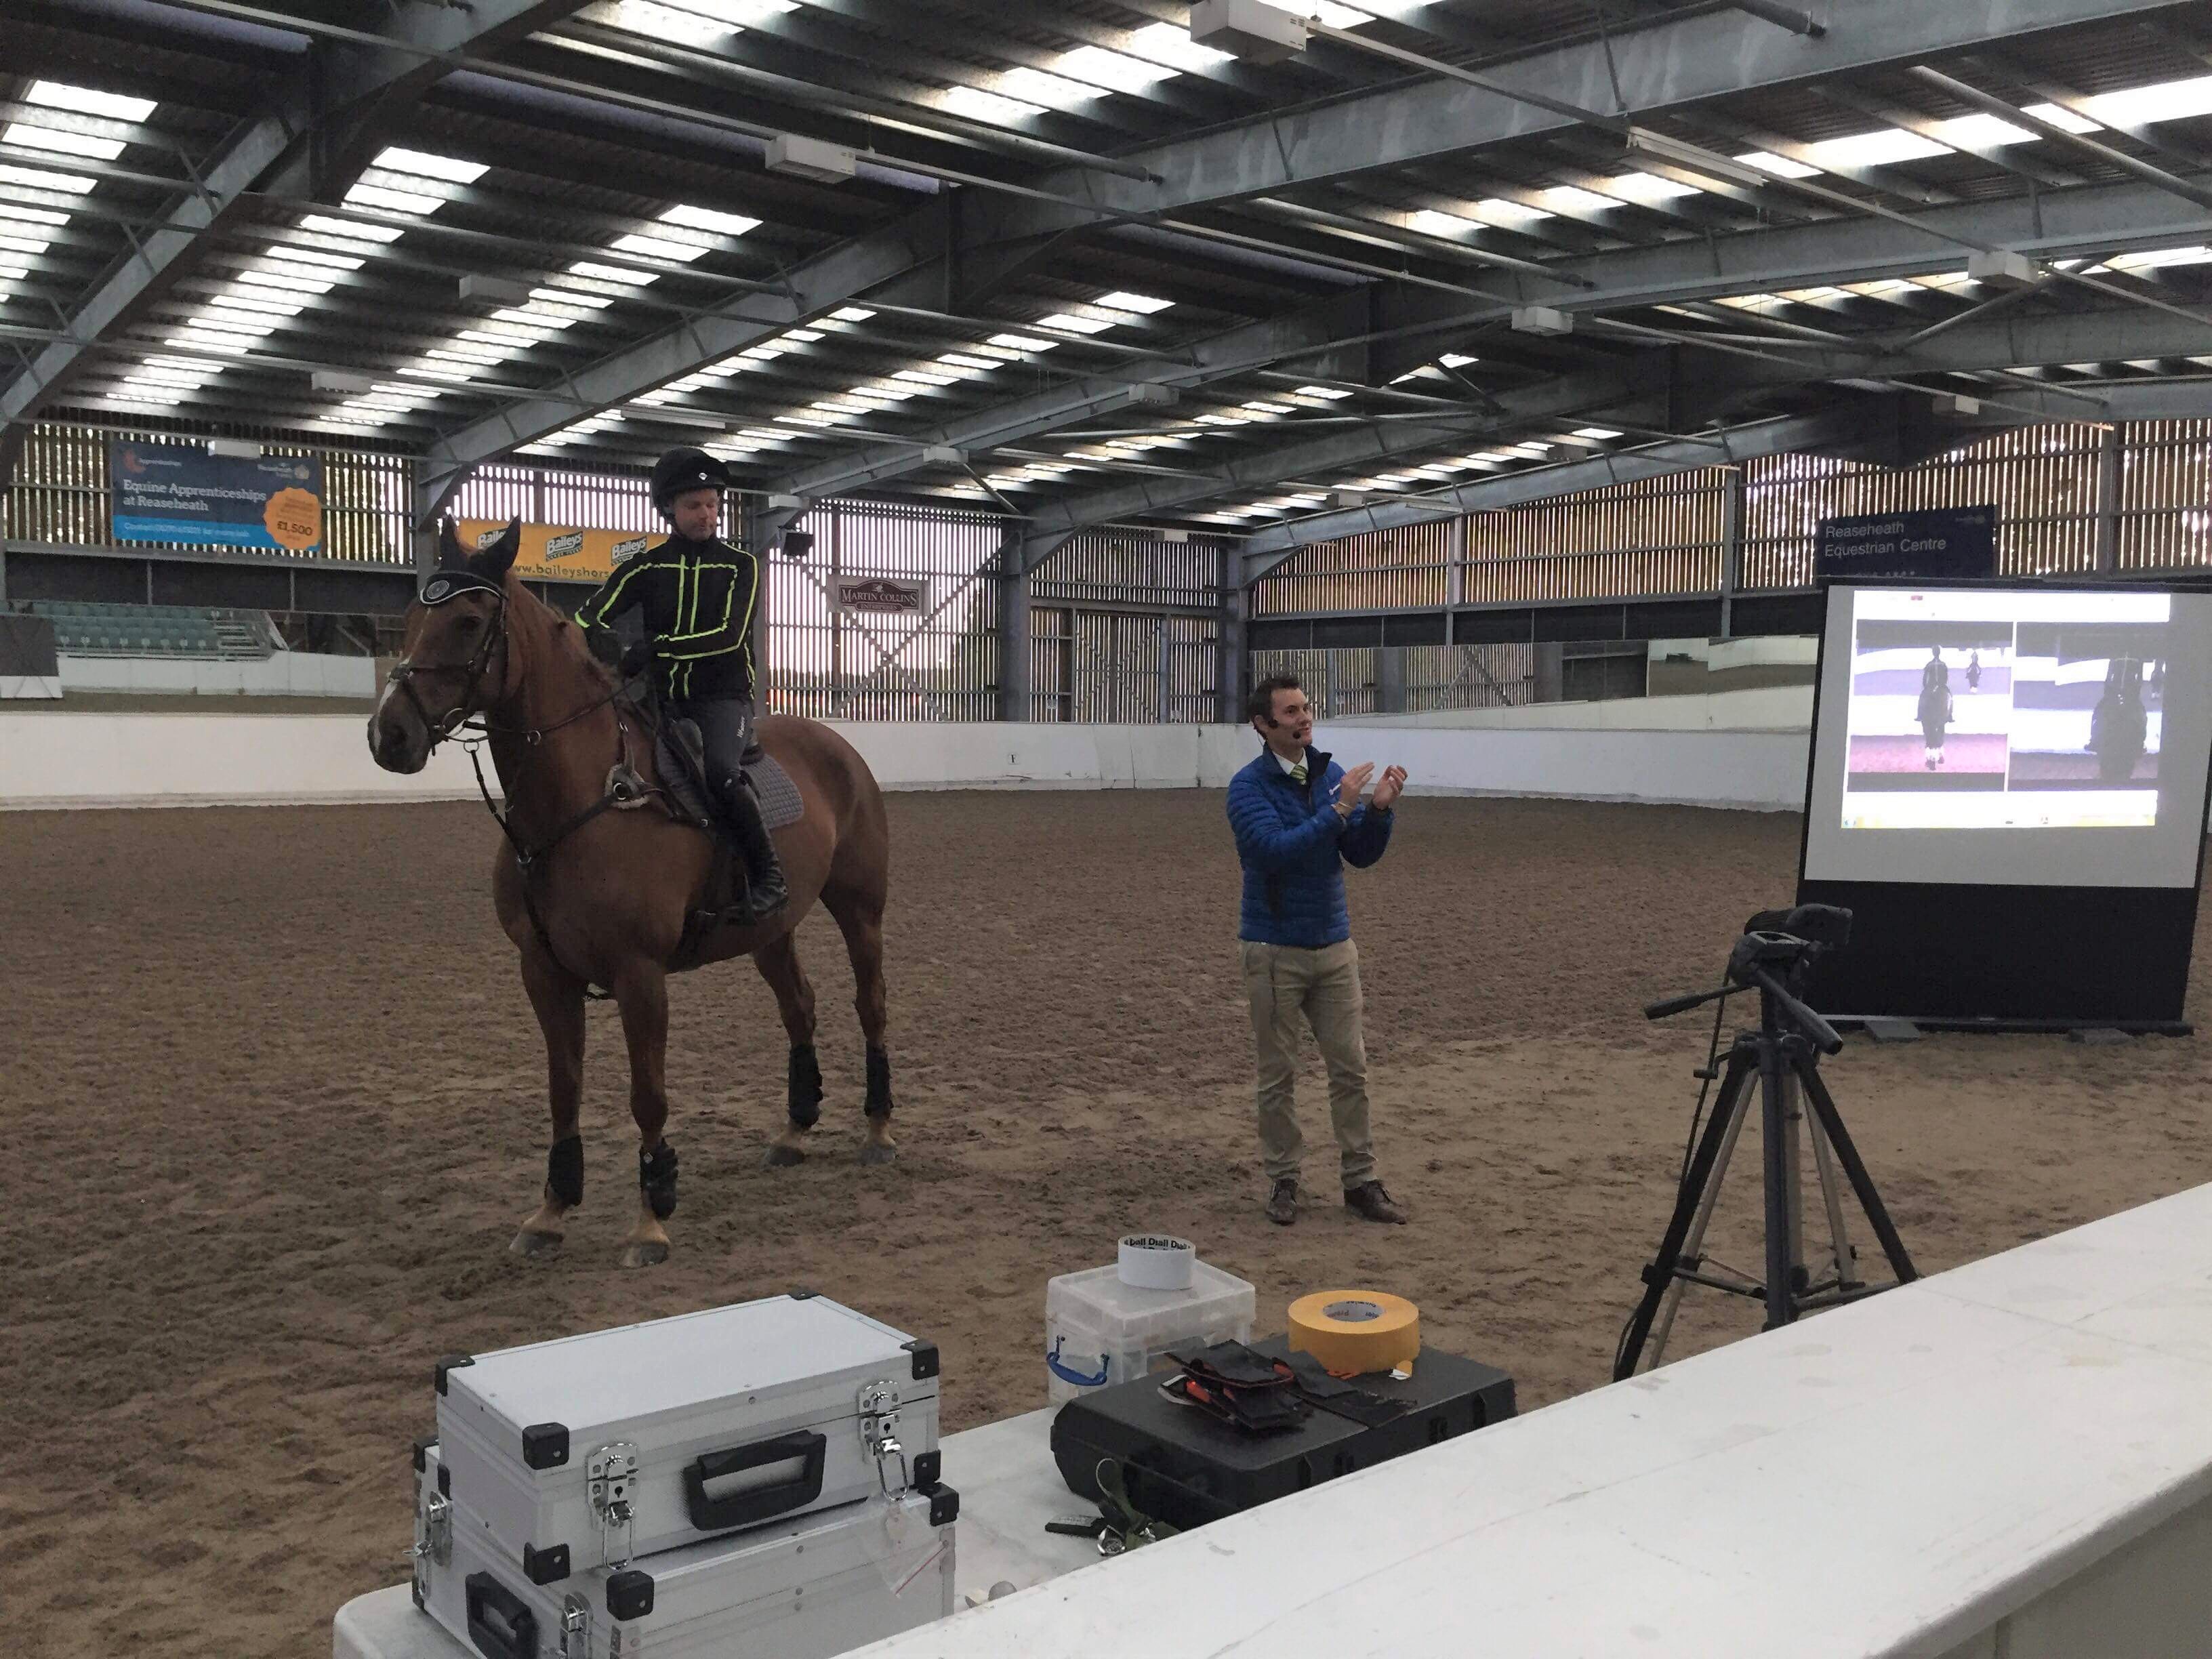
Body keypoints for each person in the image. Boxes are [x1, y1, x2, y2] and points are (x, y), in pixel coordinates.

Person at [573, 447, 786, 924]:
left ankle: (770, 878)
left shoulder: (741, 567)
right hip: (662, 699)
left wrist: (657, 649)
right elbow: (588, 615)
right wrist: (603, 639)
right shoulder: (646, 568)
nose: (707, 514)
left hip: (722, 698)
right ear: (669, 508)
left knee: (722, 774)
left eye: (712, 504)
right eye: (694, 506)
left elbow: (729, 637)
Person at [1226, 674, 1410, 1227]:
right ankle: (1284, 1179)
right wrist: (1338, 811)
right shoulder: (1247, 788)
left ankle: (1361, 1181)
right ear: (1263, 725)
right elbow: (1272, 852)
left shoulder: (1330, 776)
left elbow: (1358, 855)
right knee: (1277, 1076)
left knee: (1351, 1070)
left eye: (1306, 708)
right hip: (1273, 951)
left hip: (1333, 947)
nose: (1304, 718)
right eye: (1290, 712)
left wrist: (1377, 812)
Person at [1917, 646, 1952, 771]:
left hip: (1930, 686)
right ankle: (1950, 714)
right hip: (1942, 686)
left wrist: (1928, 687)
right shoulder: (1943, 665)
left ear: (1933, 653)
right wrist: (1940, 685)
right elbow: (1946, 678)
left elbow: (1924, 680)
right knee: (1950, 696)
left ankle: (1919, 714)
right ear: (1939, 653)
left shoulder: (1929, 665)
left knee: (1922, 697)